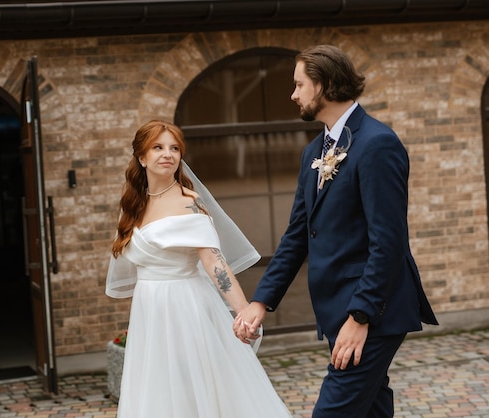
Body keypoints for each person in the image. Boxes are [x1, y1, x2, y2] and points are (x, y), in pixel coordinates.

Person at [234, 45, 439, 417]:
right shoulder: (314, 150)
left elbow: (388, 243)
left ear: (325, 85)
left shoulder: (377, 144)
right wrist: (260, 302)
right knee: (372, 409)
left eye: (299, 85)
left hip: (373, 310)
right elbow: (298, 235)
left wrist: (361, 318)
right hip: (336, 310)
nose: (293, 94)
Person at [106, 120, 292, 418]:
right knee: (159, 390)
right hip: (149, 309)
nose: (168, 154)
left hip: (185, 307)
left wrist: (245, 313)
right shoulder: (135, 204)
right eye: (158, 147)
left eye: (174, 148)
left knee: (197, 389)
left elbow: (214, 262)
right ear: (141, 157)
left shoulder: (187, 204)